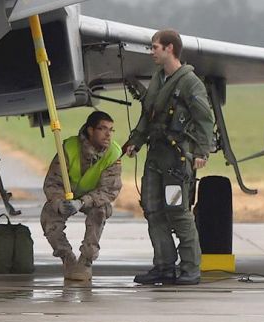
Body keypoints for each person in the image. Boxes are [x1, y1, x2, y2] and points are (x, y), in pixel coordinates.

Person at [122, 29, 214, 286]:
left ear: (169, 48)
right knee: (152, 209)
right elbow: (148, 115)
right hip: (155, 157)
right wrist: (136, 141)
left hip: (175, 160)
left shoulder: (189, 82)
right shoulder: (158, 79)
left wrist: (201, 151)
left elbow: (205, 119)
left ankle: (190, 268)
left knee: (178, 212)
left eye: (155, 47)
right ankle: (163, 266)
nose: (151, 52)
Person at [40, 110, 123, 283]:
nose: (108, 134)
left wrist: (83, 202)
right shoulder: (69, 148)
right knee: (49, 213)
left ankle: (86, 260)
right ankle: (67, 258)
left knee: (101, 210)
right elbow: (52, 182)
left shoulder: (113, 154)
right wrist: (59, 202)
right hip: (67, 196)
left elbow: (109, 190)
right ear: (90, 130)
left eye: (111, 130)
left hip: (92, 199)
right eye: (102, 129)